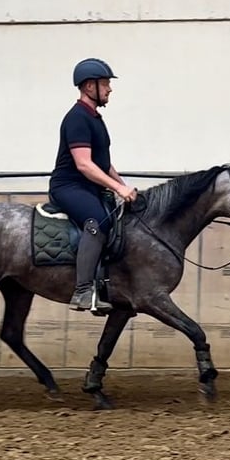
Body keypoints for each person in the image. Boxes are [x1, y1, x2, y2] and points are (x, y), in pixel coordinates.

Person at [49, 58, 138, 314]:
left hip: (89, 187)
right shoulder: (77, 118)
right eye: (106, 84)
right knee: (98, 222)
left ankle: (106, 286)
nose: (110, 89)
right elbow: (84, 165)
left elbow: (103, 163)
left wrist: (124, 187)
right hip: (69, 186)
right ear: (90, 87)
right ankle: (83, 291)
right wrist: (117, 189)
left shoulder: (95, 118)